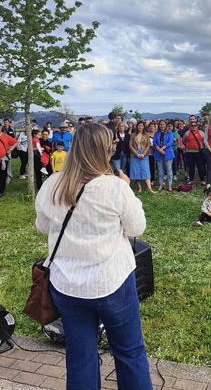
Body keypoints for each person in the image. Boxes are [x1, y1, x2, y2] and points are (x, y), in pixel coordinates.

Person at [33, 123, 151, 390]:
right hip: (112, 282)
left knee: (80, 355)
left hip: (67, 284)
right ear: (105, 150)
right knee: (129, 351)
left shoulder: (52, 183)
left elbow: (42, 226)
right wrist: (127, 189)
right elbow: (136, 228)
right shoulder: (115, 187)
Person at [130, 122, 155, 193]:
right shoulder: (132, 135)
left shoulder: (146, 135)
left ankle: (149, 189)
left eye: (142, 125)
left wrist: (143, 154)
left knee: (146, 170)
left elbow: (148, 145)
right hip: (135, 155)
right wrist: (136, 154)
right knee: (136, 170)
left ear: (144, 127)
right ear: (137, 126)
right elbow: (130, 146)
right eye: (139, 125)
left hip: (144, 155)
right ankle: (139, 188)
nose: (140, 127)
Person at [180, 120, 206, 186]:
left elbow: (204, 141)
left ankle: (202, 180)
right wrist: (188, 145)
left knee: (200, 166)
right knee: (191, 167)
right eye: (192, 126)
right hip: (190, 152)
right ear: (190, 126)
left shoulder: (201, 133)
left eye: (195, 125)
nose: (194, 127)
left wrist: (202, 146)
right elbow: (183, 141)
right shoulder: (187, 133)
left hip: (198, 152)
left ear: (197, 126)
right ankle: (191, 180)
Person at [153, 120, 175, 191]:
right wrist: (159, 149)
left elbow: (170, 142)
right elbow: (154, 143)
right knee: (160, 170)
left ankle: (169, 185)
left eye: (163, 124)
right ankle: (161, 184)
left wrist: (162, 148)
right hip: (158, 154)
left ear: (166, 125)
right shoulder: (156, 133)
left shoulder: (169, 133)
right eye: (161, 124)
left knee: (169, 170)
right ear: (159, 125)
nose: (162, 126)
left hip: (167, 153)